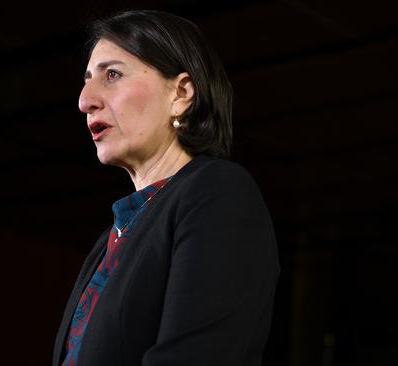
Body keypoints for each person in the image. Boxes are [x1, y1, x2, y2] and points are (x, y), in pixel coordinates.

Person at [52, 10, 280, 366]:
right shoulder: (112, 237)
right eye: (86, 80)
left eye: (112, 74)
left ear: (181, 93)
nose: (85, 101)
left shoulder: (218, 193)